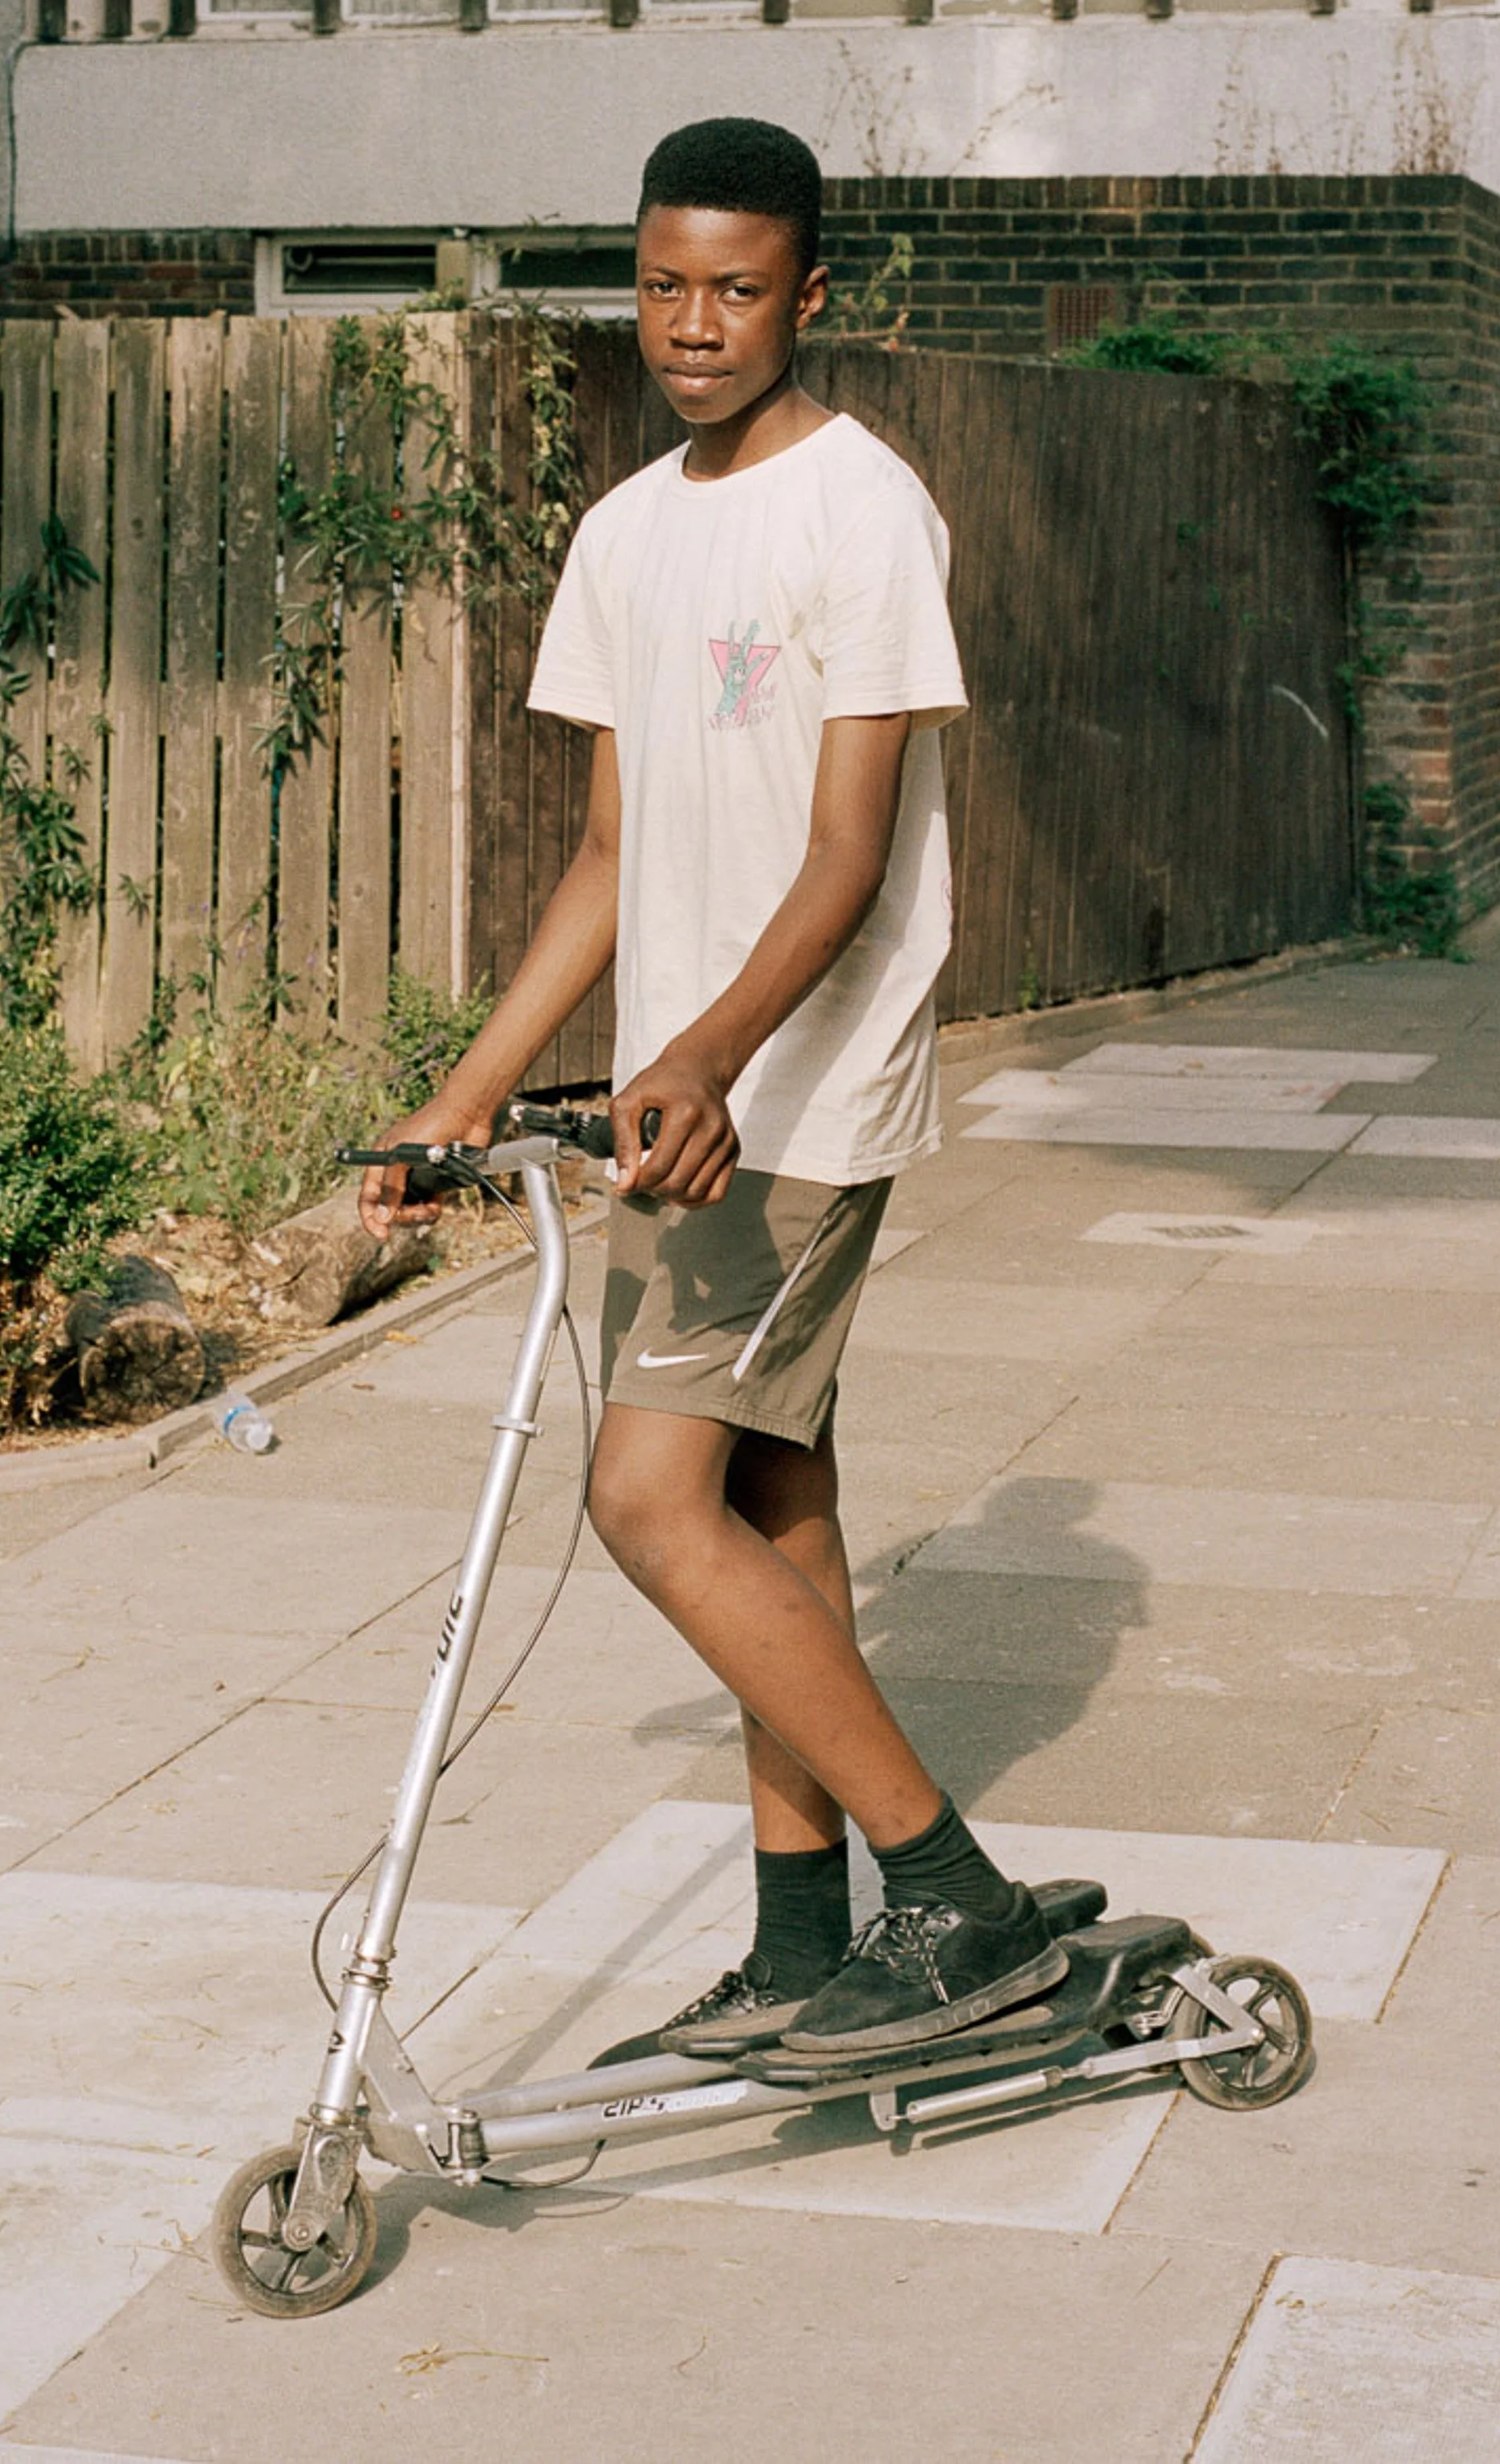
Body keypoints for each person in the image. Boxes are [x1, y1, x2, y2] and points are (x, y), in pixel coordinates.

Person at [358, 116, 1066, 2062]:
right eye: (662, 283)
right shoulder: (622, 530)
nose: (691, 321)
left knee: (647, 1495)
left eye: (735, 288)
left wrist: (706, 1052)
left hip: (794, 1095)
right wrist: (462, 1093)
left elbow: (843, 853)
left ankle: (953, 1901)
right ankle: (803, 1935)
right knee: (769, 1504)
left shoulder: (862, 508)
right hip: (686, 1102)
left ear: (805, 295)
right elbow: (606, 854)